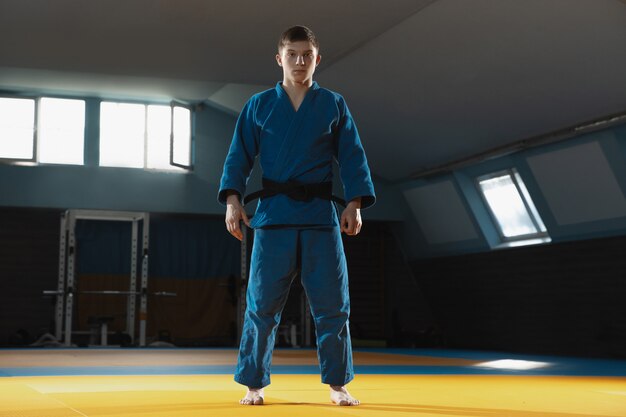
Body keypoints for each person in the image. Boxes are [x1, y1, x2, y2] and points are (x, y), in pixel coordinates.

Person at [218, 25, 375, 406]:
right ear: (280, 58)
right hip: (272, 217)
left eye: (307, 55)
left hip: (321, 217)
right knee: (261, 305)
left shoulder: (333, 104)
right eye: (293, 54)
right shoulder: (258, 105)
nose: (300, 62)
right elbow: (239, 155)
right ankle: (254, 383)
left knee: (333, 304)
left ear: (317, 59)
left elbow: (352, 155)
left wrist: (354, 203)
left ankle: (338, 384)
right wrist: (232, 200)